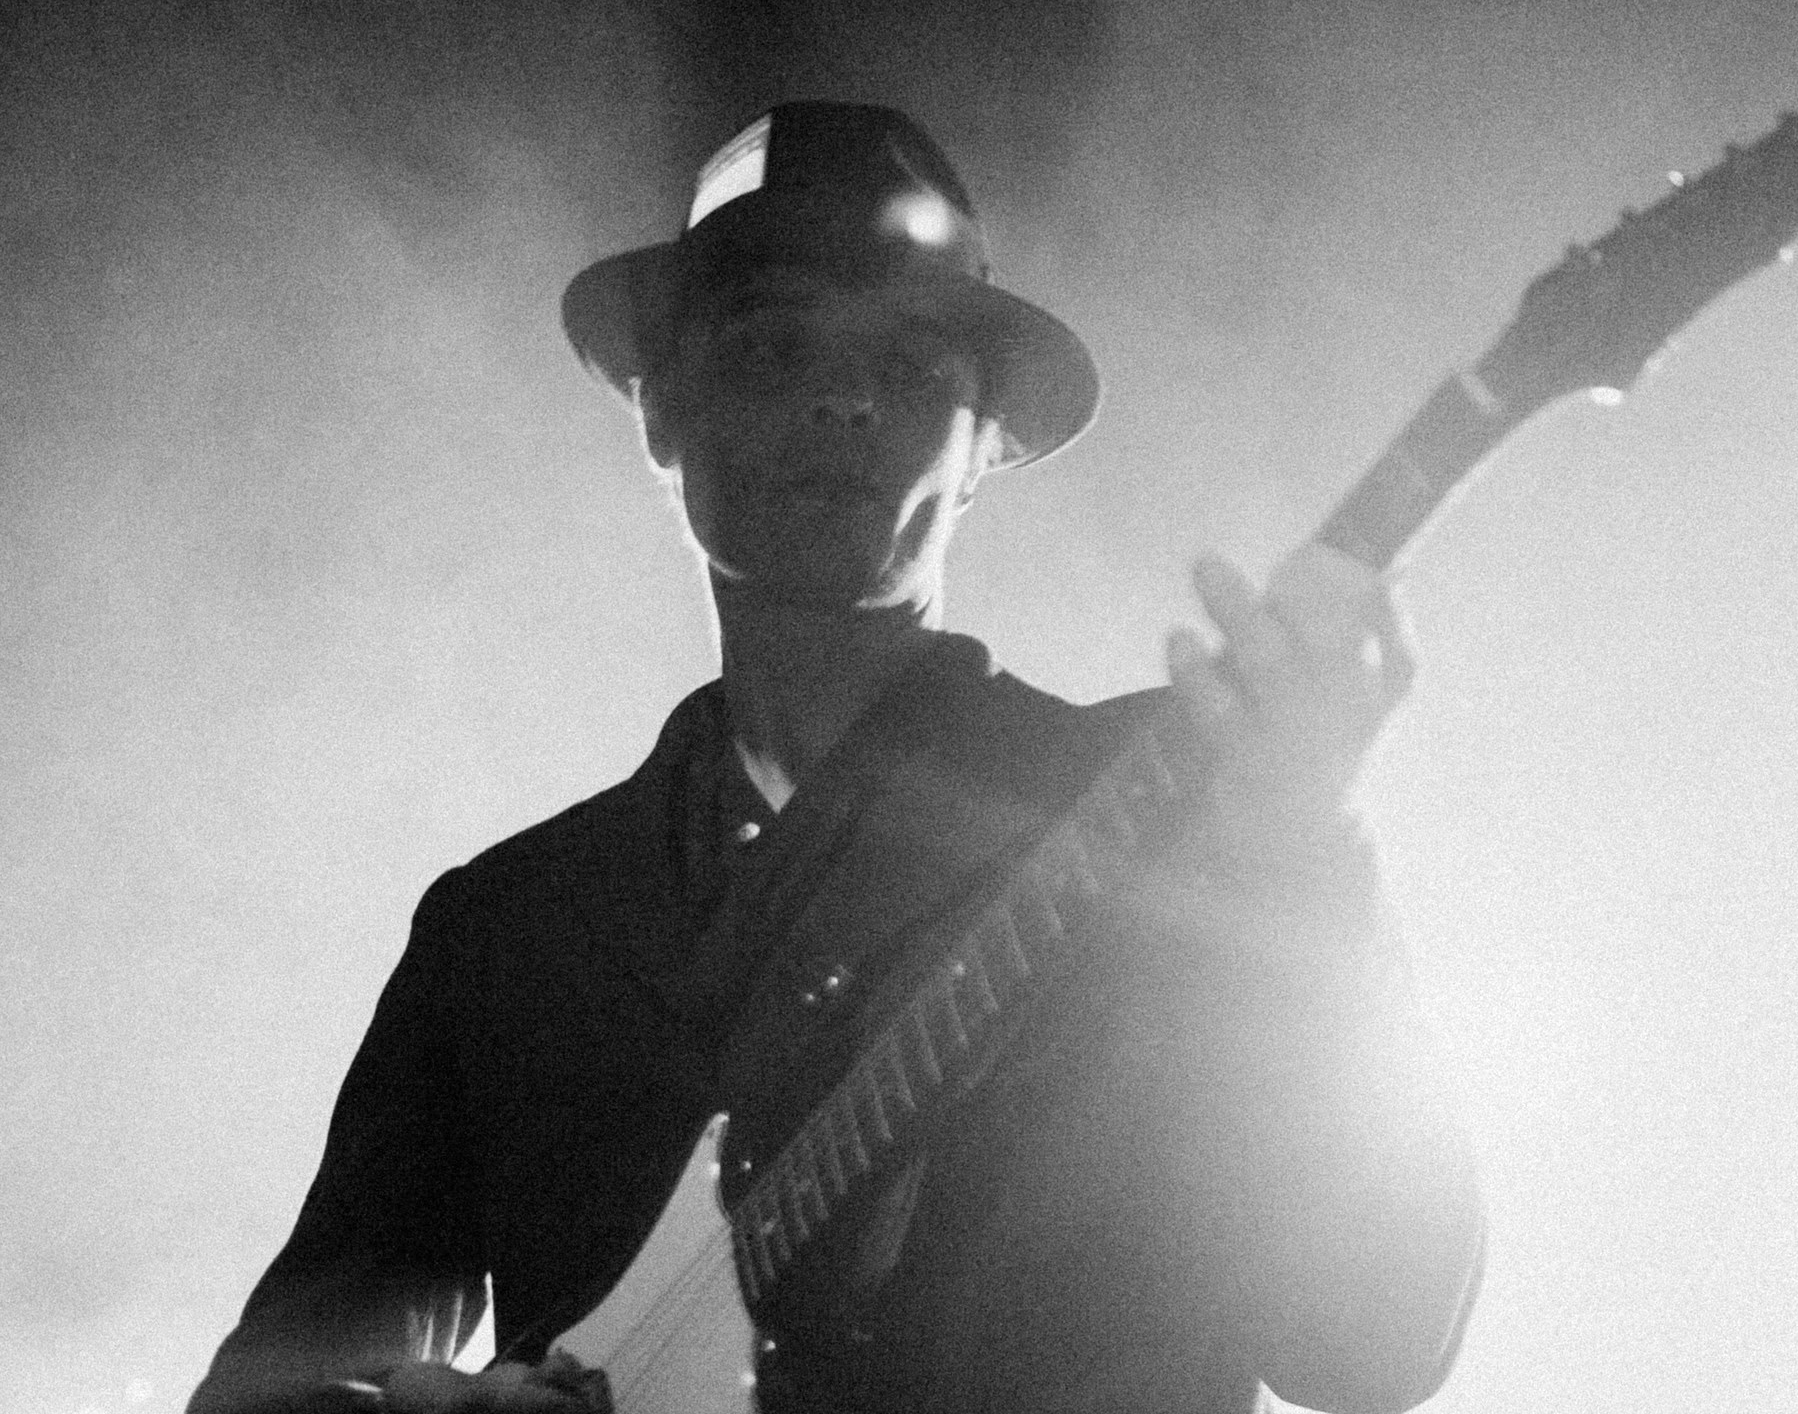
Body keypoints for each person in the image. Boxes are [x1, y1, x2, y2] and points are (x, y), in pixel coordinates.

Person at [188, 102, 1485, 1414]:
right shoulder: (508, 932)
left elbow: (1371, 1342)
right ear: (661, 411)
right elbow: (272, 1387)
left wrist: (1299, 849)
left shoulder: (1179, 799)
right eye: (770, 347)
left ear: (982, 447)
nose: (844, 399)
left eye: (914, 362)